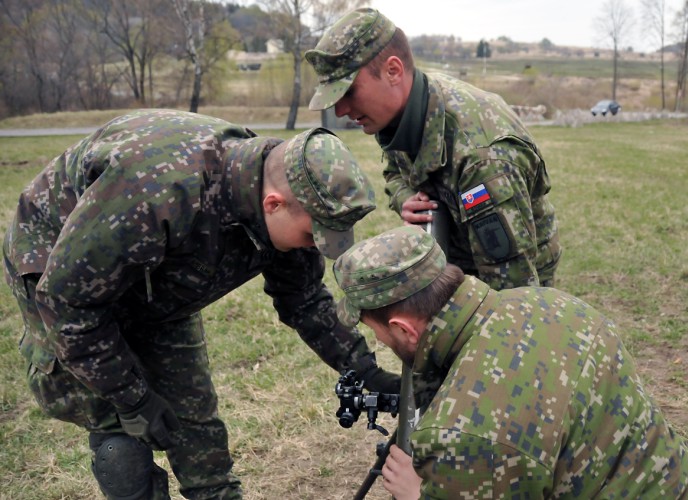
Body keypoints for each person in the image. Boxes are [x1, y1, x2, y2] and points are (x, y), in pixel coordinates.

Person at [2, 109, 399, 499]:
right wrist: (132, 396)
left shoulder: (294, 197)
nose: (314, 247)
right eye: (312, 236)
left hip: (158, 277)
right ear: (274, 204)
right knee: (121, 435)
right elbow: (68, 305)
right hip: (63, 267)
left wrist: (363, 369)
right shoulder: (160, 191)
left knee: (194, 419)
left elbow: (305, 299)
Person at [332, 225, 688, 499]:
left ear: (403, 328)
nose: (379, 340)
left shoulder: (464, 435)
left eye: (374, 330)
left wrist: (417, 494)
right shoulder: (553, 303)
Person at [306, 8, 561, 290]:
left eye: (349, 92)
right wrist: (405, 199)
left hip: (506, 273)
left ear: (393, 71)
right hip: (455, 262)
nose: (340, 110)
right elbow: (395, 172)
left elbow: (514, 290)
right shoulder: (404, 111)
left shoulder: (482, 157)